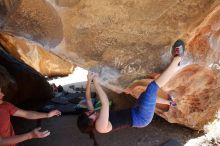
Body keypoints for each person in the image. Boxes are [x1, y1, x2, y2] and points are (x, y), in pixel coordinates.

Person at [77, 40, 185, 145]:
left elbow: (88, 98)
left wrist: (88, 80)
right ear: (91, 123)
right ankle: (178, 59)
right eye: (91, 114)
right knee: (151, 88)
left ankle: (170, 103)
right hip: (141, 118)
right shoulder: (100, 127)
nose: (92, 112)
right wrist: (95, 82)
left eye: (89, 112)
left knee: (144, 96)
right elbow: (105, 103)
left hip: (134, 111)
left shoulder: (93, 115)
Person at [0, 69, 62, 146]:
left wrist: (47, 115)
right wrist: (30, 135)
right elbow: (1, 141)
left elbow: (26, 114)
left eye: (1, 89)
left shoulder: (5, 105)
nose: (3, 94)